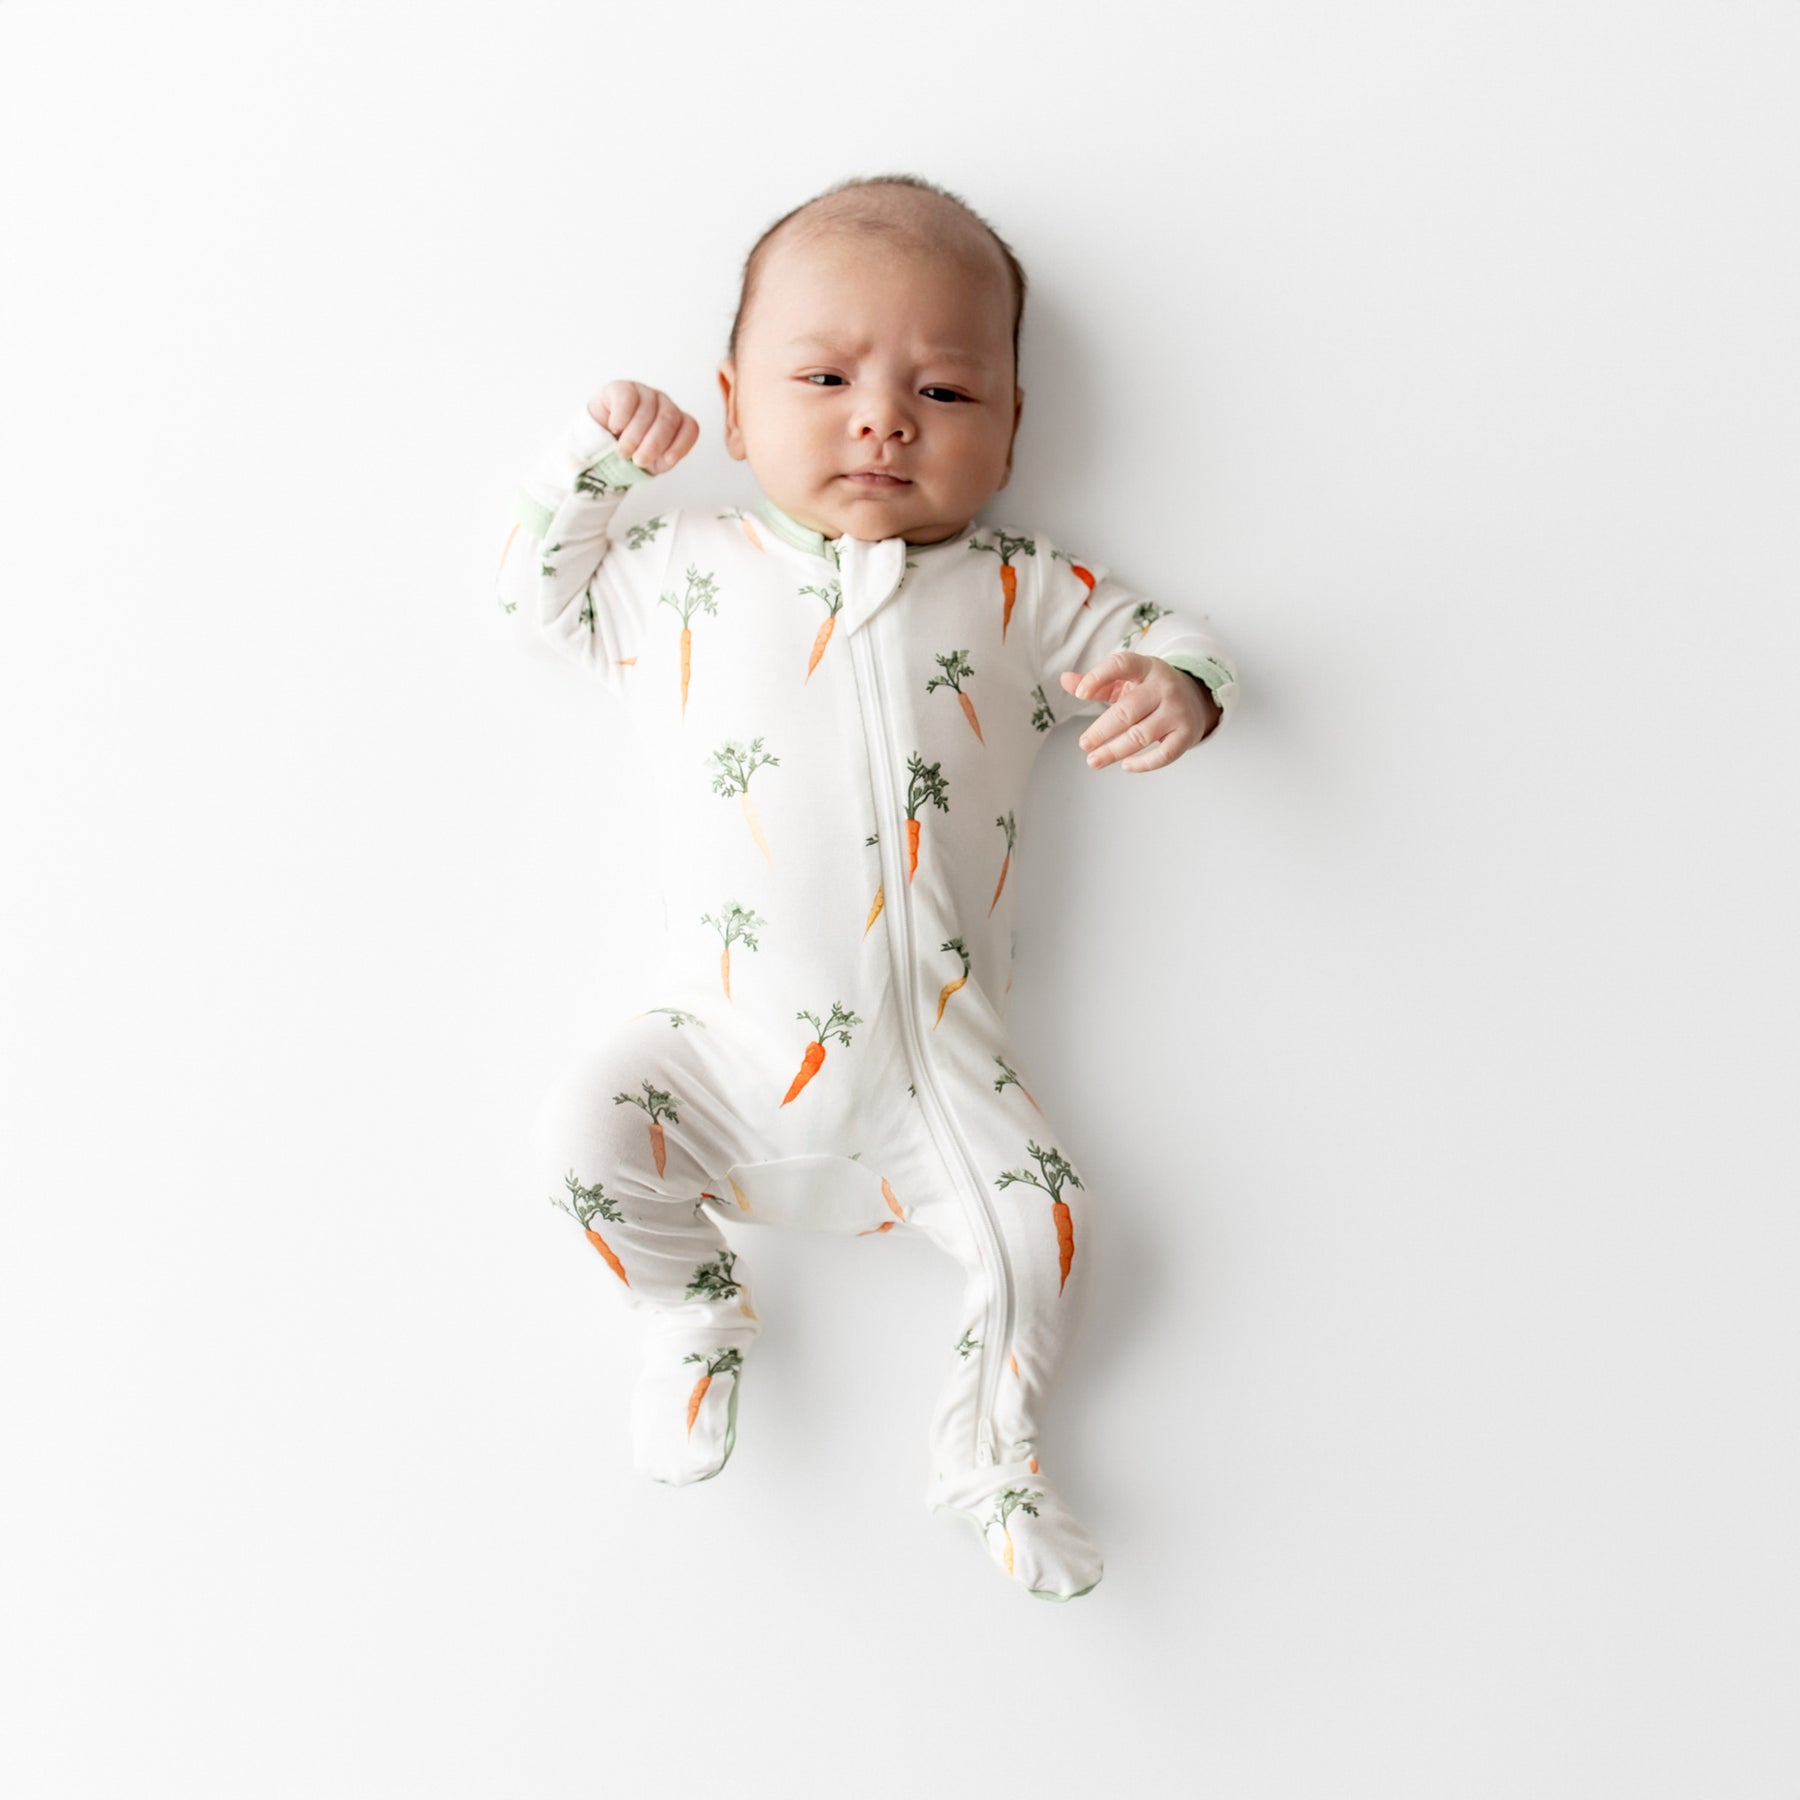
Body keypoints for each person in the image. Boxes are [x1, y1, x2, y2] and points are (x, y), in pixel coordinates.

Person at [496, 173, 1239, 1601]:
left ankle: (990, 1459)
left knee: (1049, 1237)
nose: (884, 419)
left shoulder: (1020, 592)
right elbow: (538, 593)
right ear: (733, 407)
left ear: (1012, 427)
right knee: (580, 1137)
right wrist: (594, 460)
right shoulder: (682, 569)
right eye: (826, 378)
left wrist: (1180, 686)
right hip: (717, 1052)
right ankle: (693, 1310)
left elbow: (1170, 630)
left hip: (940, 1075)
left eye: (945, 392)